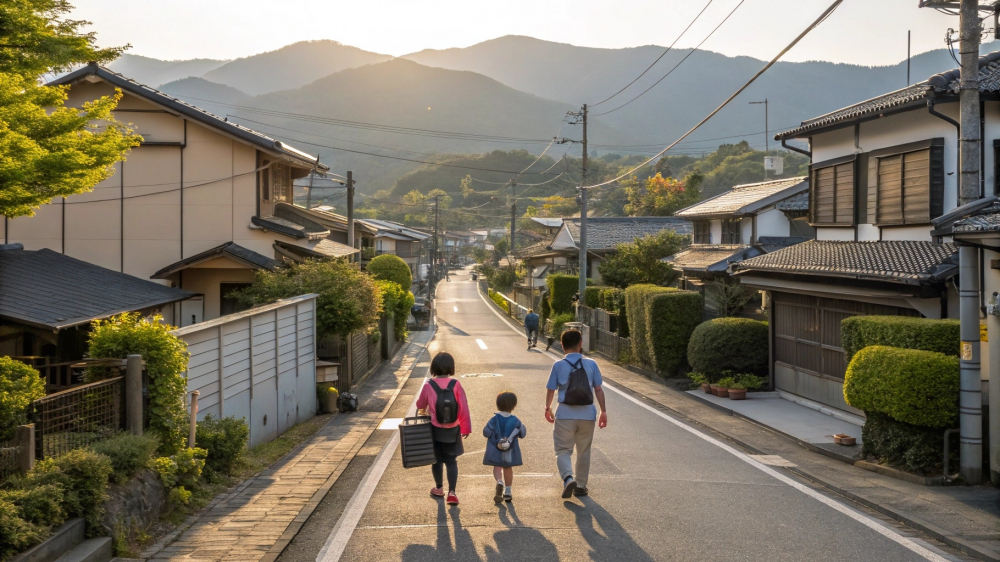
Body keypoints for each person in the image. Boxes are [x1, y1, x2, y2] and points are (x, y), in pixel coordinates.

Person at [544, 329, 608, 498]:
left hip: (565, 414)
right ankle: (580, 486)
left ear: (562, 346)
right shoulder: (592, 364)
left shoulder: (558, 365)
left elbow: (551, 389)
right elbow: (599, 389)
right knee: (584, 451)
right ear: (580, 344)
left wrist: (547, 408)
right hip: (587, 415)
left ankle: (567, 478)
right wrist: (603, 411)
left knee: (563, 450)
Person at [416, 352, 472, 505]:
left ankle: (439, 488)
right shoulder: (456, 384)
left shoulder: (429, 385)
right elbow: (463, 407)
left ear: (433, 367)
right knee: (451, 461)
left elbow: (420, 405)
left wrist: (425, 406)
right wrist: (465, 428)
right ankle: (452, 493)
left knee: (437, 460)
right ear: (451, 368)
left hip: (435, 429)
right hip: (453, 429)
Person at [483, 391, 526, 503]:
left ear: (498, 405)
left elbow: (486, 432)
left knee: (497, 466)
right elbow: (523, 433)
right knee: (507, 468)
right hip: (509, 449)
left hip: (496, 448)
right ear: (513, 405)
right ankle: (508, 490)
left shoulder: (494, 419)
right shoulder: (515, 420)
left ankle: (499, 481)